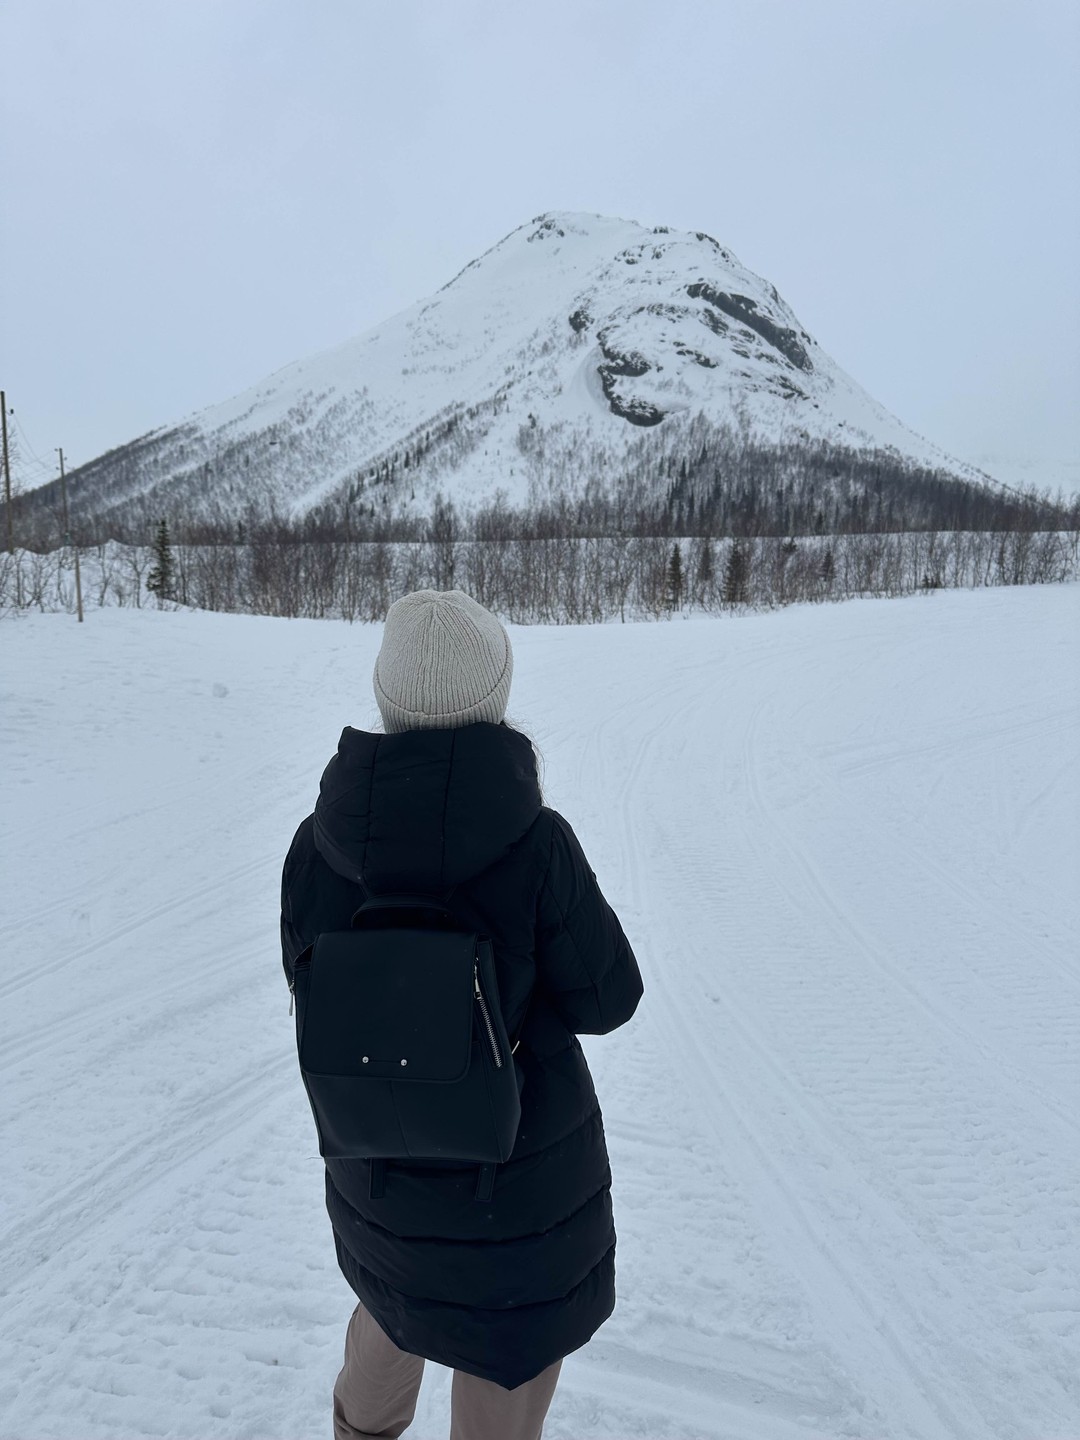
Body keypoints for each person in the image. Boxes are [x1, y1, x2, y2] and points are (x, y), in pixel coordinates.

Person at [281, 588, 643, 1440]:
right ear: (496, 697)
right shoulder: (537, 842)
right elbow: (608, 999)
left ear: (387, 698)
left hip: (378, 1176)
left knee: (392, 1309)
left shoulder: (316, 845)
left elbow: (309, 986)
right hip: (516, 1195)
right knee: (504, 1357)